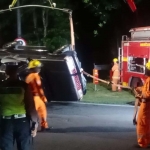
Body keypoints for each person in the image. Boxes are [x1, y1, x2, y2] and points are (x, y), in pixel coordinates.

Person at [0, 57, 38, 150]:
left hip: (5, 122)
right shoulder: (23, 86)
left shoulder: (1, 86)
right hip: (22, 122)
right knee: (24, 147)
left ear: (6, 72)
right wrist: (35, 123)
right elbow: (30, 106)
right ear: (17, 72)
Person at [25, 59, 50, 131]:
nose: (39, 68)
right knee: (36, 112)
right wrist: (43, 97)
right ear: (33, 68)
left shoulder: (29, 76)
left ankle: (44, 126)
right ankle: (39, 126)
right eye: (38, 67)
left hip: (34, 97)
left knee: (41, 111)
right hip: (35, 97)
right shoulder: (34, 76)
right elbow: (38, 88)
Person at [133, 61, 150, 148]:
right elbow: (145, 89)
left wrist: (140, 95)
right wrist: (139, 89)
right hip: (146, 105)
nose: (145, 69)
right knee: (146, 123)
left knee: (142, 123)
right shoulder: (148, 80)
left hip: (146, 105)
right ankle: (146, 141)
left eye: (147, 68)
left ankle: (142, 143)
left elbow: (148, 94)